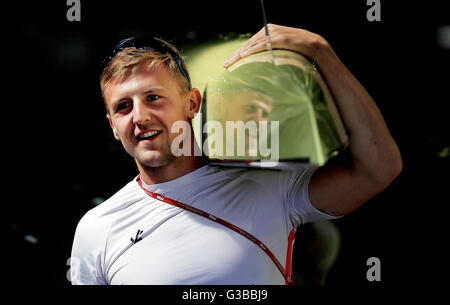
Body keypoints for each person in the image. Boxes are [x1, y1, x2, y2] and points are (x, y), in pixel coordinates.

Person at [70, 25, 402, 285]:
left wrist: (320, 50)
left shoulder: (269, 186)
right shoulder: (96, 229)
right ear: (113, 126)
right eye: (123, 107)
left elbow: (380, 167)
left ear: (192, 104)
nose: (139, 117)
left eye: (154, 97)